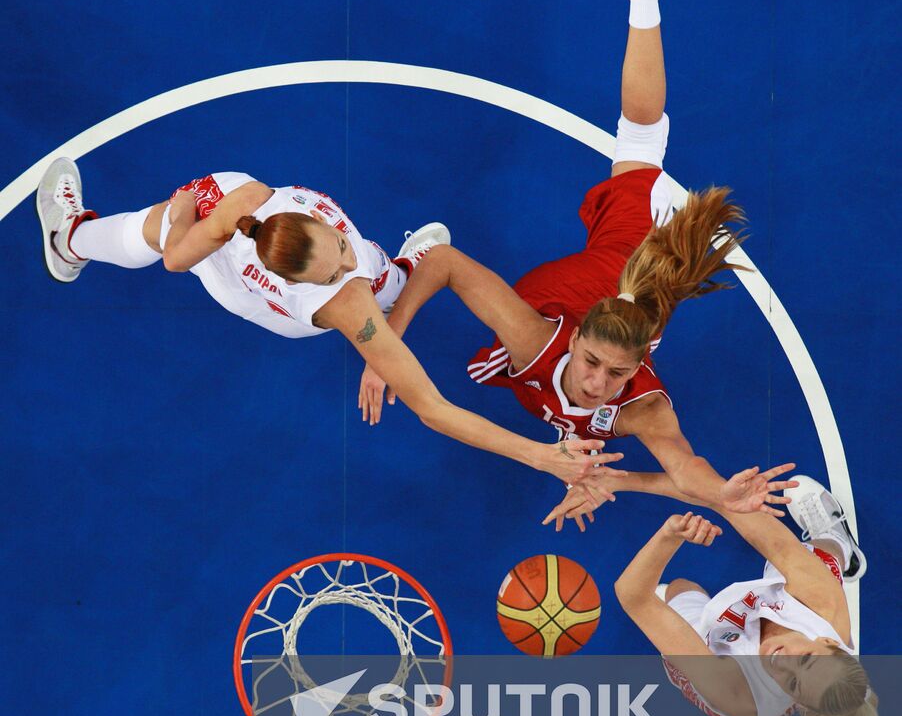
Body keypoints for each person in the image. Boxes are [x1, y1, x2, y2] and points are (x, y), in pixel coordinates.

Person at [357, 0, 789, 525]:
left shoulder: (638, 403)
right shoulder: (535, 340)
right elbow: (445, 261)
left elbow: (686, 469)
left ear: (639, 366)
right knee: (641, 142)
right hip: (640, 242)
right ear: (576, 335)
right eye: (592, 363)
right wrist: (386, 347)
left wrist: (721, 493)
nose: (596, 383)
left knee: (637, 159)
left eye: (614, 375)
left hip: (611, 272)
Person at [36, 162, 617, 488]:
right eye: (335, 267)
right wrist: (537, 455)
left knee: (378, 270)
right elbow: (433, 408)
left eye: (338, 246)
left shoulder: (244, 199)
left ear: (312, 222)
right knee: (155, 227)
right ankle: (71, 240)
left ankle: (403, 269)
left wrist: (191, 208)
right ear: (308, 281)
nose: (345, 261)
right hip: (257, 300)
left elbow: (343, 265)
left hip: (243, 244)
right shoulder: (346, 305)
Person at [614, 473, 876, 716]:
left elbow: (631, 595)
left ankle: (676, 608)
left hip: (718, 657)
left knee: (681, 588)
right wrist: (622, 481)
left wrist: (669, 535)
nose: (783, 661)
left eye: (793, 684)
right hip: (795, 606)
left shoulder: (735, 692)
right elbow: (729, 502)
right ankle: (840, 544)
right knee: (818, 559)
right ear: (828, 642)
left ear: (795, 704)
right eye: (806, 660)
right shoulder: (823, 606)